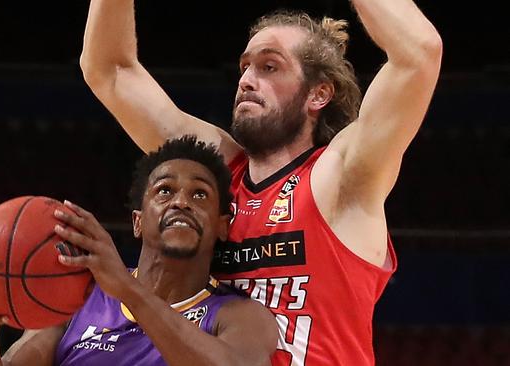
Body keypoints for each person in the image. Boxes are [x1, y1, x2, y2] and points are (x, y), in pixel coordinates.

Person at [79, 1, 442, 365]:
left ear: (318, 94)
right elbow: (109, 70)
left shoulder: (341, 177)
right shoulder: (215, 174)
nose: (246, 80)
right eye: (245, 66)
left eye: (269, 66)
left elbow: (419, 54)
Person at [0, 136, 278, 366]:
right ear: (137, 221)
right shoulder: (75, 300)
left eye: (200, 195)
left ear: (223, 225)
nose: (181, 202)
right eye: (164, 191)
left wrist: (129, 290)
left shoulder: (239, 315)